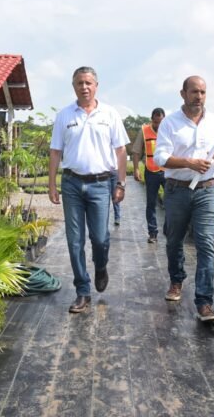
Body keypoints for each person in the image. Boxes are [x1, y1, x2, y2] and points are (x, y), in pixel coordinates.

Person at [49, 66, 129, 313]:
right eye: (79, 83)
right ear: (73, 87)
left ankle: (101, 265)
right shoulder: (64, 116)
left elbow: (121, 151)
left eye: (88, 83)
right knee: (74, 241)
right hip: (72, 183)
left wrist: (121, 183)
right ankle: (82, 290)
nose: (84, 87)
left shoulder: (110, 114)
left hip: (101, 184)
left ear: (96, 85)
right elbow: (55, 151)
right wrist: (52, 183)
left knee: (100, 238)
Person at [153, 76, 214, 322]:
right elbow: (160, 158)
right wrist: (188, 162)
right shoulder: (170, 123)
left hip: (208, 190)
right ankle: (176, 281)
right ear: (183, 93)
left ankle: (204, 302)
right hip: (178, 190)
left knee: (206, 244)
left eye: (203, 92)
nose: (199, 96)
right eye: (194, 91)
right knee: (174, 239)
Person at [132, 108, 166, 243]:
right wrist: (136, 169)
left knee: (171, 202)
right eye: (156, 123)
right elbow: (135, 151)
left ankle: (169, 229)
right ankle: (153, 233)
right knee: (151, 203)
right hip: (151, 171)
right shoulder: (144, 131)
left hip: (167, 171)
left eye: (161, 123)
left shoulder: (168, 130)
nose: (158, 126)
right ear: (152, 120)